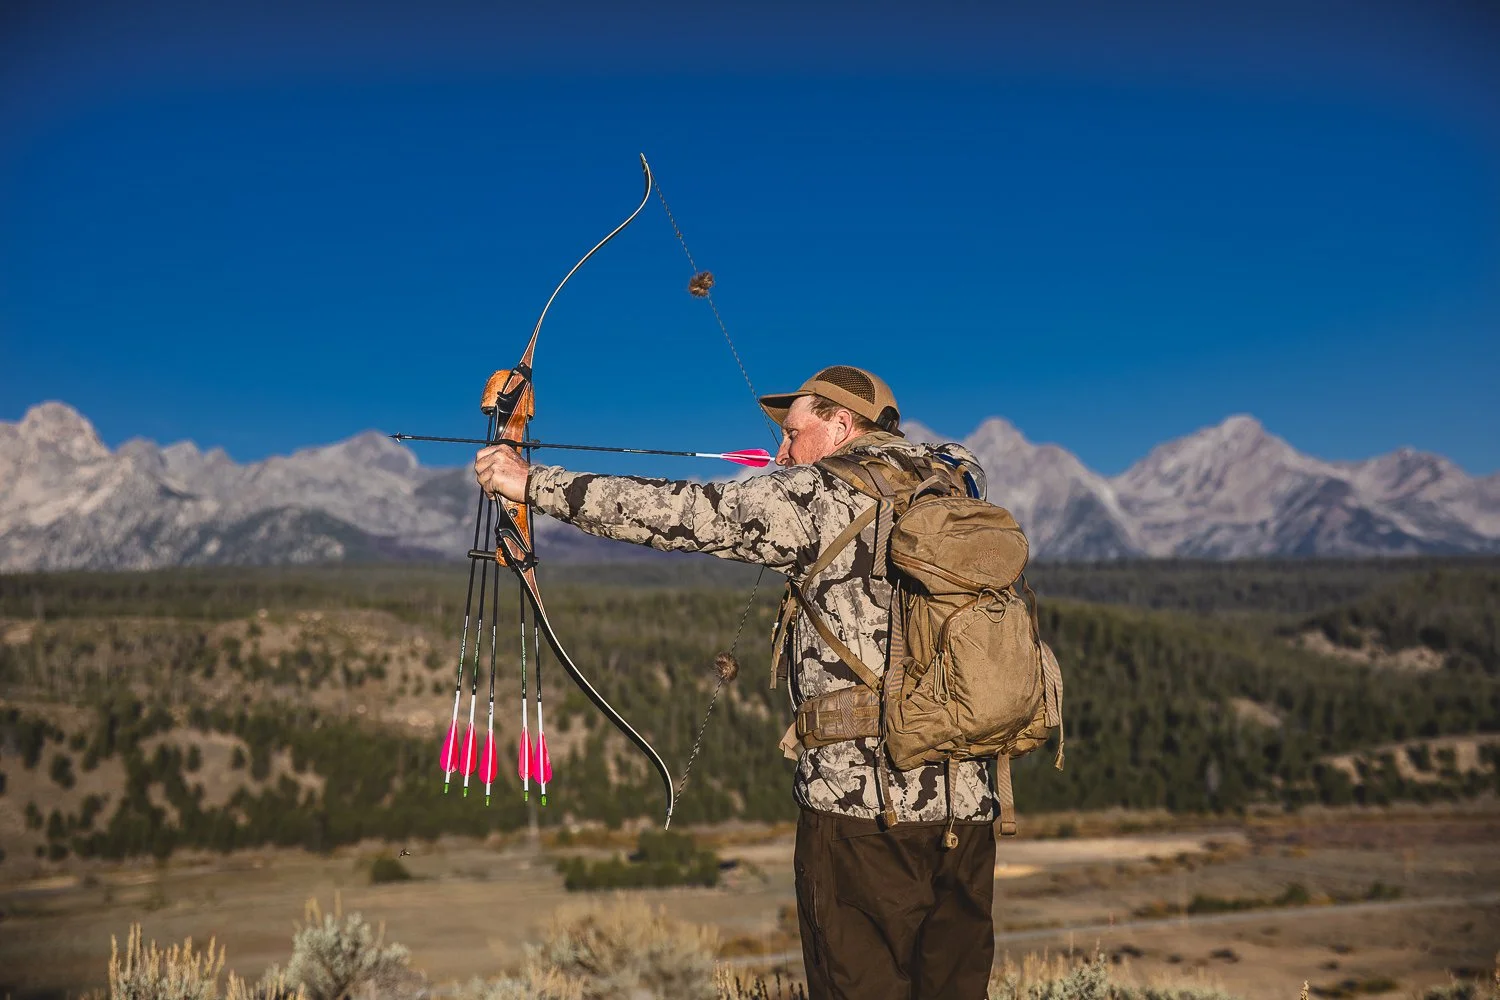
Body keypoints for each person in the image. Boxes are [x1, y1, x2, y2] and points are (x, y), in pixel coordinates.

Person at [475, 365, 999, 999]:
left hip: (863, 814)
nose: (782, 452)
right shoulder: (956, 484)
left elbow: (677, 513)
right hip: (970, 810)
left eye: (794, 433)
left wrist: (530, 483)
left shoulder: (821, 495)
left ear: (842, 425)